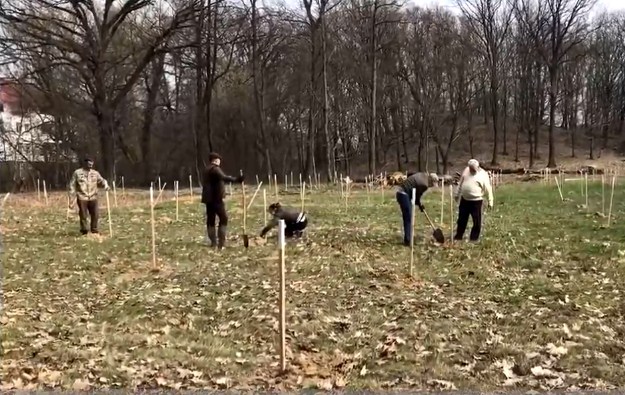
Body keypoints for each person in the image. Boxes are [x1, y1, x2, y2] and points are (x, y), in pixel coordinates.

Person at [201, 152, 244, 249]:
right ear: (216, 160)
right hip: (216, 199)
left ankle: (213, 243)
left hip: (208, 199)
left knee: (210, 220)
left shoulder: (206, 169)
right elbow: (224, 177)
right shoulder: (215, 169)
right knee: (224, 218)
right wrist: (237, 179)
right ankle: (221, 242)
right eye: (219, 159)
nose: (220, 161)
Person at [454, 159, 493, 242]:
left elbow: (488, 189)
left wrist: (490, 201)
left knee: (477, 221)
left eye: (474, 169)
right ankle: (458, 236)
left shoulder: (483, 174)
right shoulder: (466, 170)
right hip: (464, 200)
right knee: (461, 220)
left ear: (478, 167)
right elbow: (460, 183)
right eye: (471, 169)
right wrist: (457, 194)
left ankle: (474, 238)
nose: (472, 171)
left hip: (476, 201)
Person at [68, 157, 109, 235]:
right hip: (82, 196)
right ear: (85, 163)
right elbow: (72, 185)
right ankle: (84, 230)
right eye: (89, 164)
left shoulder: (95, 173)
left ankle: (94, 230)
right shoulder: (77, 173)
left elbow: (101, 181)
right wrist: (71, 195)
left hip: (93, 196)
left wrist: (105, 185)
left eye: (91, 164)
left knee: (95, 214)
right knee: (83, 215)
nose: (90, 165)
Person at [396, 172, 439, 246]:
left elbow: (415, 194)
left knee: (408, 216)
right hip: (403, 194)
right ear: (431, 181)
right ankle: (408, 240)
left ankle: (408, 237)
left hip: (403, 193)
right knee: (408, 217)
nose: (432, 186)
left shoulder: (424, 175)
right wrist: (419, 204)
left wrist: (420, 204)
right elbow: (416, 197)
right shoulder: (424, 184)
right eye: (433, 184)